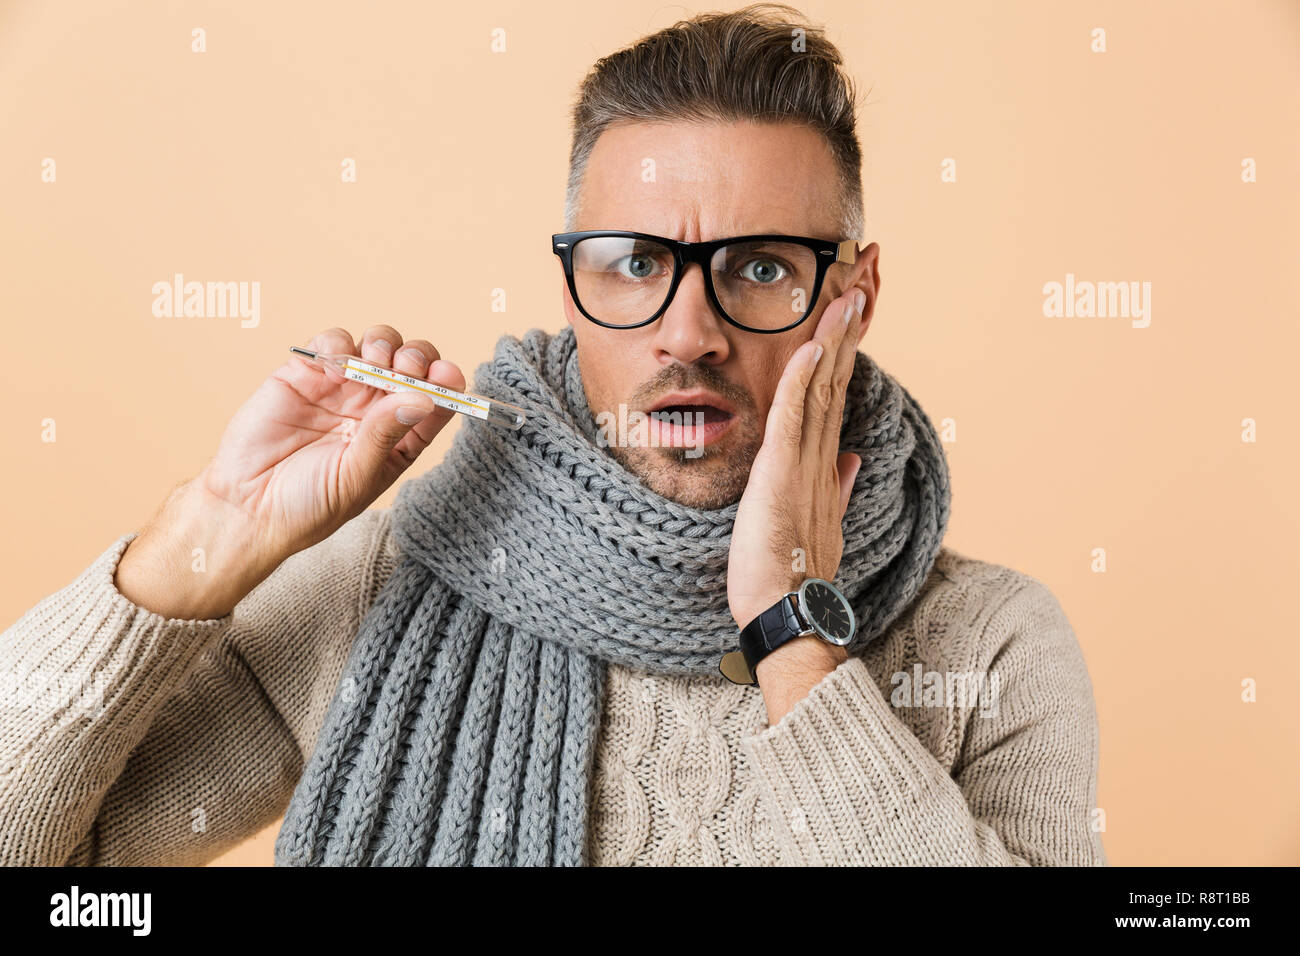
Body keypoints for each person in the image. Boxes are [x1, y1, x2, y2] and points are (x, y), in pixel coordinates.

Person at [0, 3, 1105, 867]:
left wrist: (793, 629)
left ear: (853, 295)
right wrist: (203, 535)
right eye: (633, 263)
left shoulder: (989, 641)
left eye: (759, 267)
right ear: (570, 290)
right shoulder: (390, 583)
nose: (689, 331)